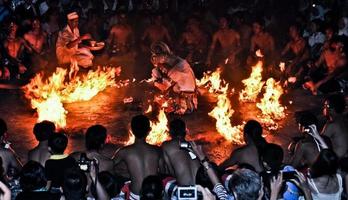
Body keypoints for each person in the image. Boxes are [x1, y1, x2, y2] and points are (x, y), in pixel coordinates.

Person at [113, 115, 163, 198]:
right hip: (154, 194)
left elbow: (109, 166)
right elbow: (163, 170)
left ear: (131, 130)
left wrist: (125, 173)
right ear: (149, 131)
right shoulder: (157, 150)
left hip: (135, 194)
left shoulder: (124, 151)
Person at [150, 42, 197, 114]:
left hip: (185, 97)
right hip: (185, 92)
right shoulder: (179, 62)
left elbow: (165, 86)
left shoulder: (177, 68)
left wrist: (154, 82)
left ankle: (180, 106)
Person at [161, 119, 200, 185]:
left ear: (170, 132)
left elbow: (171, 172)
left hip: (184, 189)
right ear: (185, 131)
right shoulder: (194, 146)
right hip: (201, 188)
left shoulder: (166, 145)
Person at [321, 94, 348, 159]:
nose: (324, 108)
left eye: (325, 106)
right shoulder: (344, 119)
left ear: (331, 108)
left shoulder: (332, 124)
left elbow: (319, 143)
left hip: (339, 161)